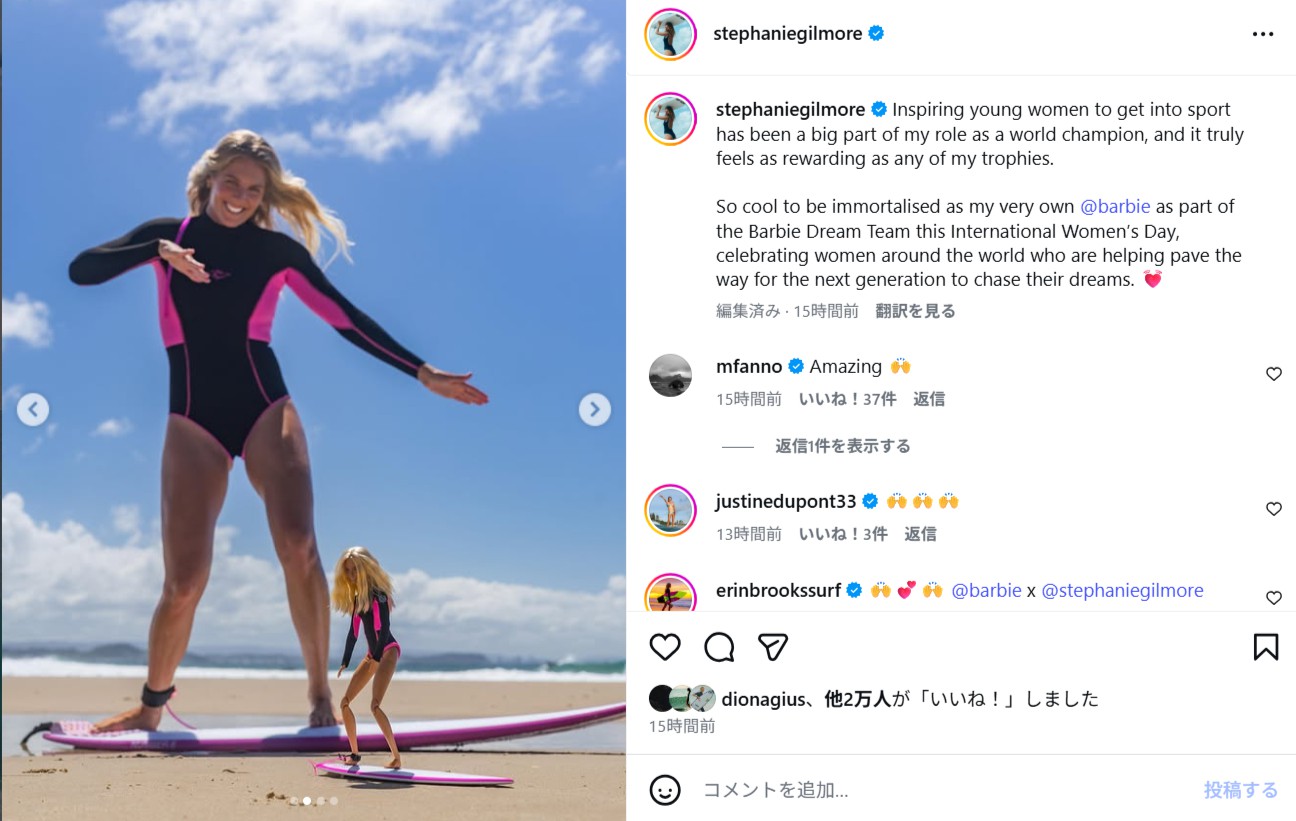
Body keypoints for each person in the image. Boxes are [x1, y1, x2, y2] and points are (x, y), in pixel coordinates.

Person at [68, 130, 488, 733]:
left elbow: (345, 318)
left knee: (297, 544)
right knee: (183, 581)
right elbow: (82, 271)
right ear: (209, 179)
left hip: (265, 405)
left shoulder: (276, 253)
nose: (240, 197)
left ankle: (319, 697)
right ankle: (151, 708)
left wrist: (420, 372)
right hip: (192, 417)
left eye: (253, 189)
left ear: (265, 196)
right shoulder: (170, 236)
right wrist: (159, 252)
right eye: (231, 182)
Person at [333, 546, 402, 769]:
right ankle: (354, 754)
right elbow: (353, 634)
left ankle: (396, 758)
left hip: (388, 651)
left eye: (355, 569)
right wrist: (345, 661)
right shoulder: (357, 600)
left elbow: (384, 629)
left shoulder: (379, 596)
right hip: (372, 655)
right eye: (348, 571)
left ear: (365, 570)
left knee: (375, 705)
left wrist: (378, 657)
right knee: (345, 702)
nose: (352, 574)